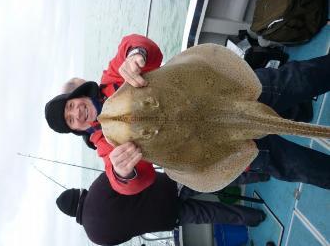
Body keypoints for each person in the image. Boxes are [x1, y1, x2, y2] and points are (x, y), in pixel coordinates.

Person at [45, 34, 330, 194]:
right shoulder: (108, 150)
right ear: (76, 130)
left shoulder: (114, 75)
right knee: (301, 166)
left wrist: (136, 56)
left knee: (300, 79)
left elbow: (138, 45)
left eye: (70, 106)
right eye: (70, 120)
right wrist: (123, 172)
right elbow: (134, 183)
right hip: (233, 149)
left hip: (234, 91)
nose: (76, 113)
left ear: (78, 94)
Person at [56, 171, 266, 245]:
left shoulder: (95, 236)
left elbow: (126, 235)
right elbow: (133, 174)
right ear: (78, 193)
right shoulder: (98, 187)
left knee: (212, 214)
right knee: (214, 180)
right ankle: (261, 174)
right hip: (168, 188)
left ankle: (254, 217)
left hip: (166, 219)